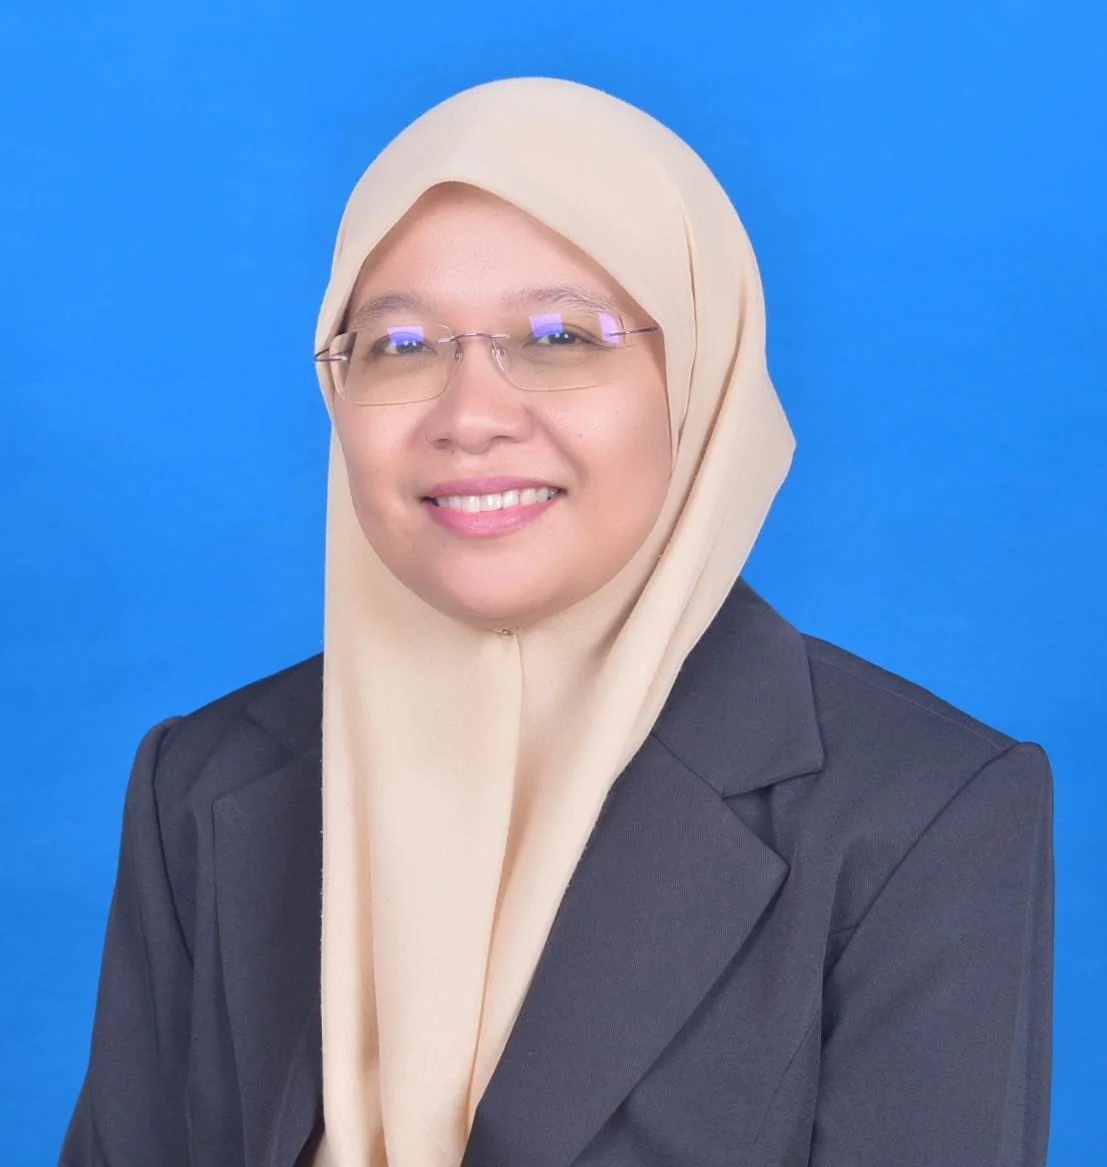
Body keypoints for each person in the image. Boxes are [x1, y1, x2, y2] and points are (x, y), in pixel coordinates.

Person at [58, 77, 1053, 1167]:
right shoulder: (201, 782)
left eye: (559, 336)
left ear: (696, 376)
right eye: (400, 346)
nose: (471, 416)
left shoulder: (919, 812)